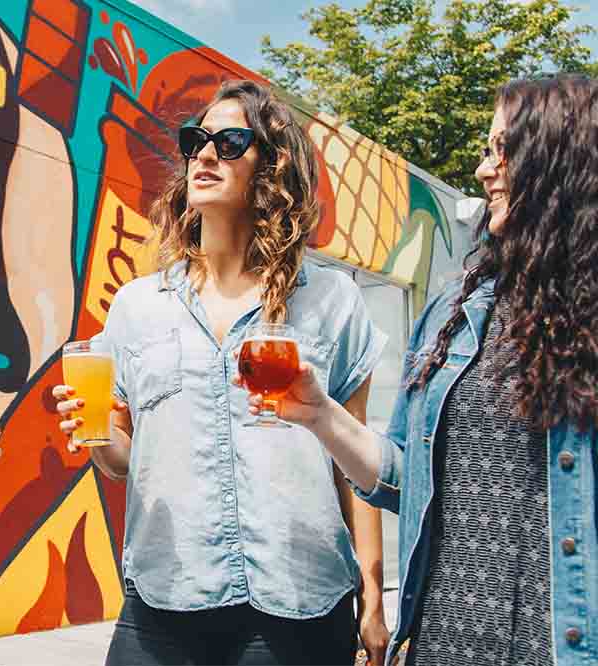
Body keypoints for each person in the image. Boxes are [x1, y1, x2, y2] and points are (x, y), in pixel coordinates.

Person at [250, 73, 598, 666]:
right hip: (446, 645)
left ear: (558, 161)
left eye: (502, 150)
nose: (486, 170)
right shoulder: (458, 308)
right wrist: (320, 416)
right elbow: (404, 478)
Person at [55, 79, 390, 665]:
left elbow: (355, 463)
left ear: (273, 165)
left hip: (299, 600)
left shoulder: (332, 299)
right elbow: (122, 464)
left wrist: (373, 596)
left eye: (231, 141)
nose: (205, 155)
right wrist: (96, 434)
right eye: (195, 141)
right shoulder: (137, 306)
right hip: (164, 599)